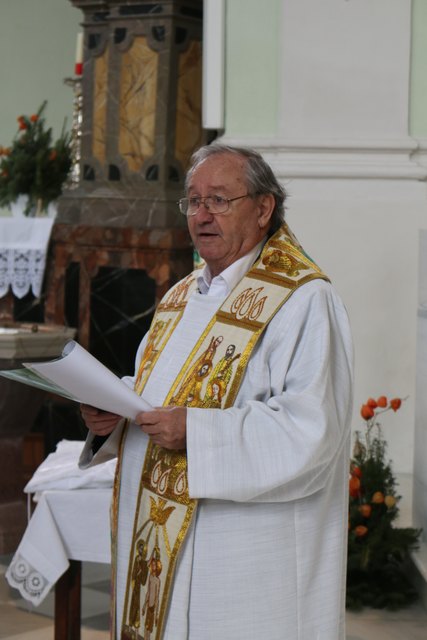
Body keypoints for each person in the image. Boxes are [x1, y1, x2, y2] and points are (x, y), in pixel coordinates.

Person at [80, 143, 354, 640]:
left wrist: (196, 431)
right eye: (194, 201)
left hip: (245, 562)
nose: (202, 215)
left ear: (264, 208)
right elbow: (155, 389)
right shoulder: (183, 294)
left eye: (220, 201)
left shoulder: (304, 299)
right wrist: (115, 413)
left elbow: (313, 431)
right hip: (166, 555)